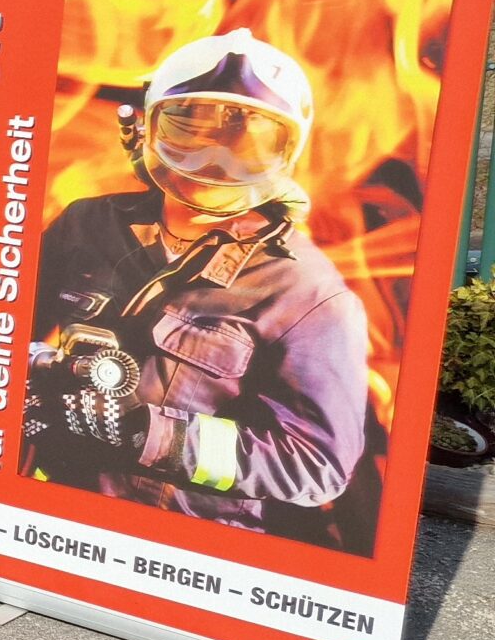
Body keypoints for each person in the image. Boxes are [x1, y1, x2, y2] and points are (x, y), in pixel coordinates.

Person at [23, 29, 369, 546]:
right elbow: (4, 323)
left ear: (289, 151)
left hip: (179, 542)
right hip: (50, 507)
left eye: (246, 147)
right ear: (144, 128)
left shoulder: (307, 294)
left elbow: (317, 464)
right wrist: (34, 370)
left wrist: (154, 434)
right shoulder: (86, 223)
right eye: (189, 133)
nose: (213, 163)